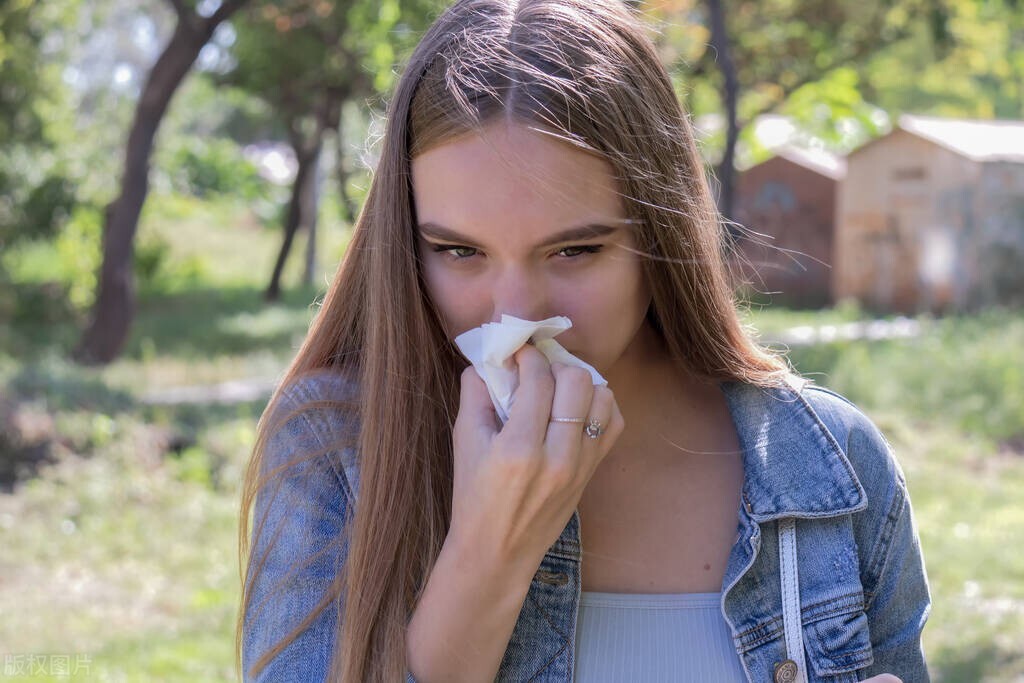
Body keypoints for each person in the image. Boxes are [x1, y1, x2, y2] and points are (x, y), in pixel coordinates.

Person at [236, 0, 931, 681]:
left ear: (661, 235)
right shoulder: (333, 445)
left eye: (574, 251)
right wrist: (490, 550)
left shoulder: (831, 462)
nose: (516, 313)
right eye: (458, 251)